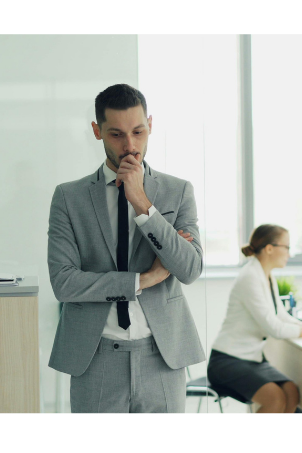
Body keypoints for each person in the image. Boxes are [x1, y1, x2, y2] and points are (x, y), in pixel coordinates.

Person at [47, 83, 205, 414]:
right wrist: (142, 281)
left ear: (150, 125)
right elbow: (64, 283)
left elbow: (189, 269)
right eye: (117, 135)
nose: (130, 145)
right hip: (96, 358)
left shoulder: (177, 192)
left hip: (162, 357)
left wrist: (143, 205)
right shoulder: (69, 197)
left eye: (138, 131)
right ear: (97, 131)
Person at [208, 224, 302, 414]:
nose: (289, 254)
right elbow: (274, 328)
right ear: (269, 248)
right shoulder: (250, 277)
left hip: (252, 358)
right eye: (287, 247)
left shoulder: (266, 275)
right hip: (227, 361)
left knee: (291, 392)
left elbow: (281, 315)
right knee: (275, 399)